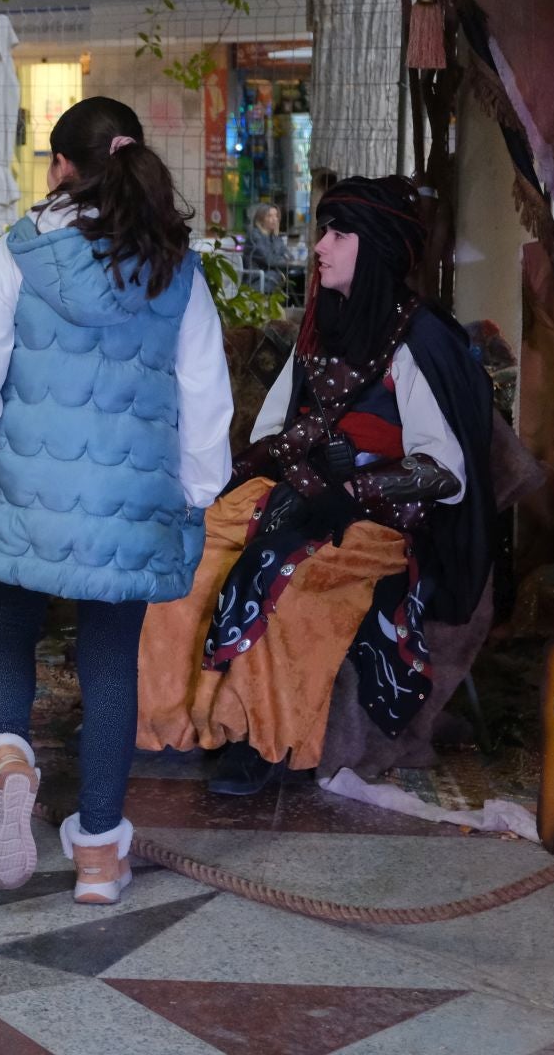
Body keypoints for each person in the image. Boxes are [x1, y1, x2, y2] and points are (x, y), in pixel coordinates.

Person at [0, 96, 234, 905]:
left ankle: (6, 758)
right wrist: (199, 490)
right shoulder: (179, 270)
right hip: (132, 502)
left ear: (62, 168)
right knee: (110, 665)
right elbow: (206, 397)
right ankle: (100, 852)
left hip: (22, 492)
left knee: (6, 639)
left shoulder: (18, 256)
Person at [137, 175, 496, 796]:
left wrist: (350, 488)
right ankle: (169, 721)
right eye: (321, 231)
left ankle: (260, 740)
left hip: (376, 523)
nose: (320, 246)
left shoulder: (421, 340)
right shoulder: (319, 328)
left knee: (291, 587)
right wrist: (281, 467)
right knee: (184, 562)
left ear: (376, 245)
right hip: (297, 493)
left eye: (337, 233)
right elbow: (277, 427)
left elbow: (443, 470)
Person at [244, 202, 304, 297]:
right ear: (261, 219)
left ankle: (296, 307)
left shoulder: (275, 237)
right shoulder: (254, 236)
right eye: (269, 216)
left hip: (272, 275)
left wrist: (283, 258)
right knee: (281, 277)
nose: (274, 219)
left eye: (276, 216)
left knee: (300, 275)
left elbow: (289, 256)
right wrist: (283, 259)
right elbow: (269, 260)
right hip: (257, 279)